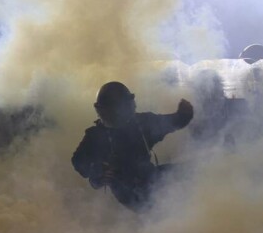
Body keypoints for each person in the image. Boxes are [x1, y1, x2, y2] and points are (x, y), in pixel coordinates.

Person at [72, 81, 193, 211]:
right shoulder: (96, 136)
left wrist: (183, 114)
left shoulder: (142, 123)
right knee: (162, 207)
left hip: (149, 178)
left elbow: (174, 122)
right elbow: (78, 161)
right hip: (129, 194)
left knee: (191, 172)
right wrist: (97, 170)